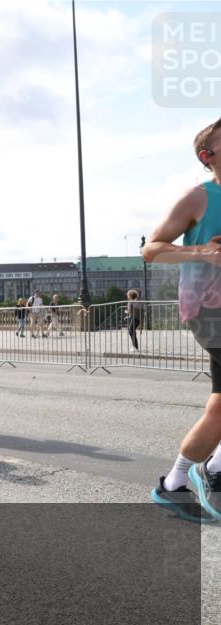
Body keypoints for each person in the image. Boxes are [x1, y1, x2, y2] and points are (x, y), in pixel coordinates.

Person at [145, 117, 221, 523]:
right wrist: (201, 252)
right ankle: (211, 470)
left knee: (219, 409)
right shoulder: (199, 197)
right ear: (208, 156)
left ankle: (174, 484)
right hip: (209, 308)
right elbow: (152, 249)